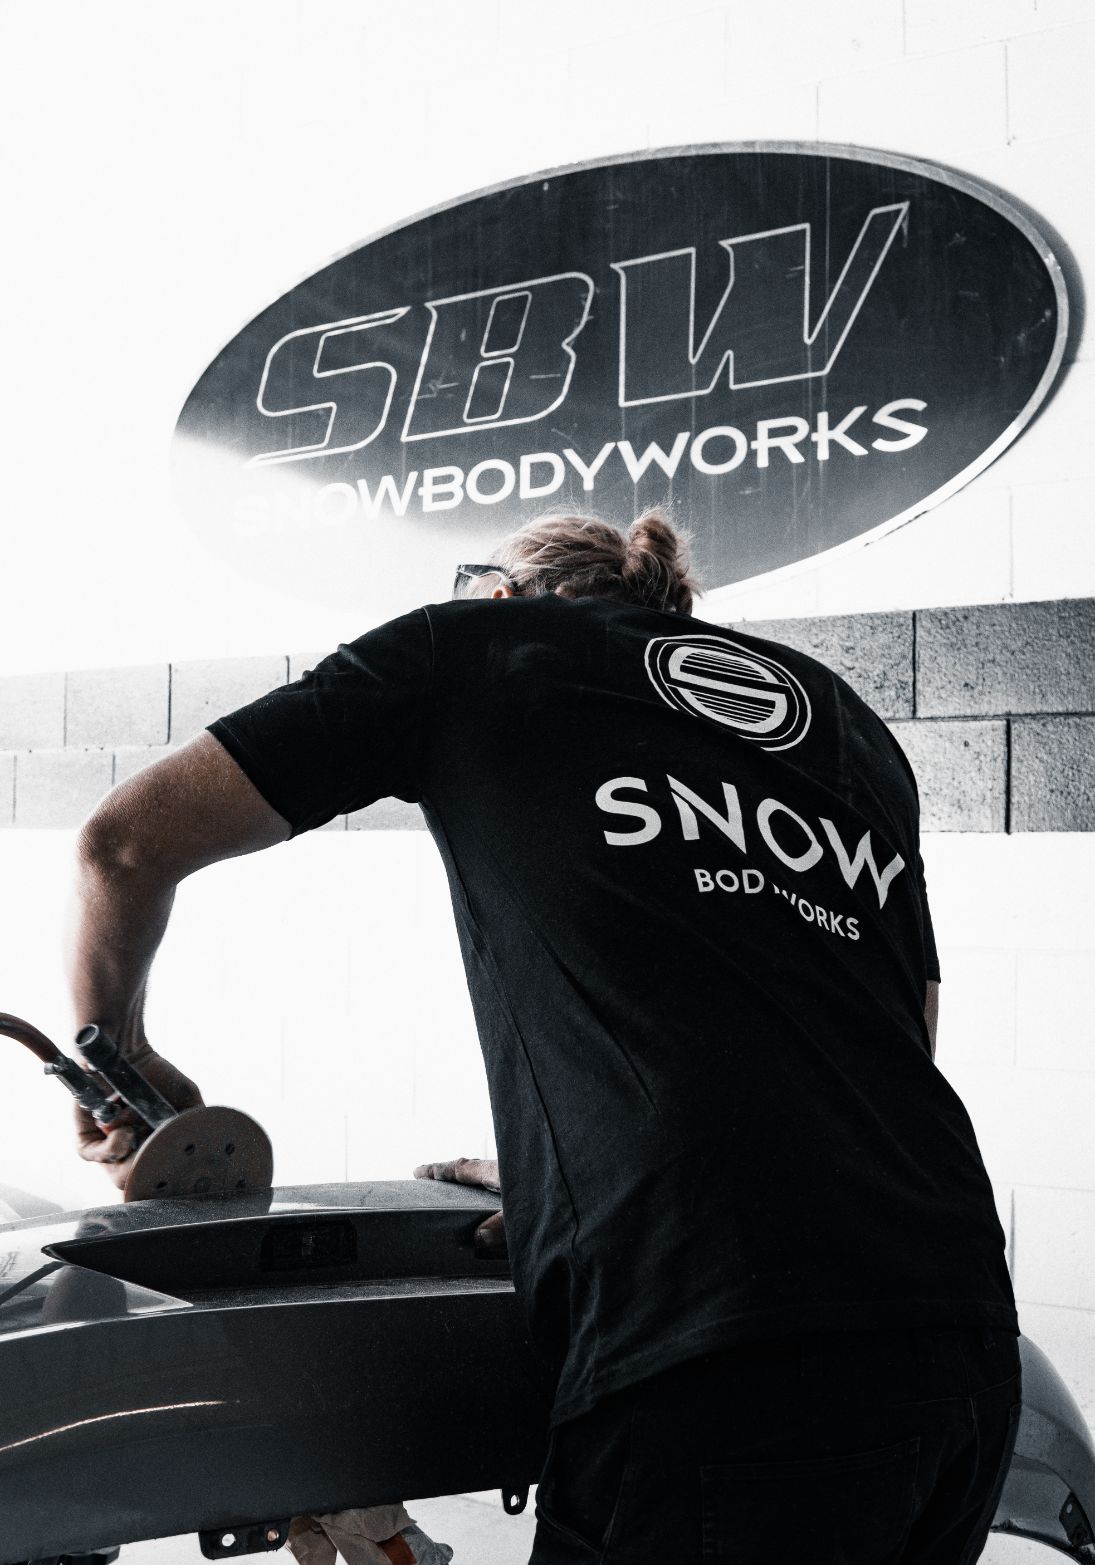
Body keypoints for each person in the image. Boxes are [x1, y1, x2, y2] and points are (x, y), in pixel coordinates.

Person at [68, 508, 1020, 1563]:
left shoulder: (475, 646)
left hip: (715, 1355)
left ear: (509, 592)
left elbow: (121, 844)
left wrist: (119, 1052)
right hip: (959, 1330)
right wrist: (592, 1183)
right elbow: (899, 1037)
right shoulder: (844, 723)